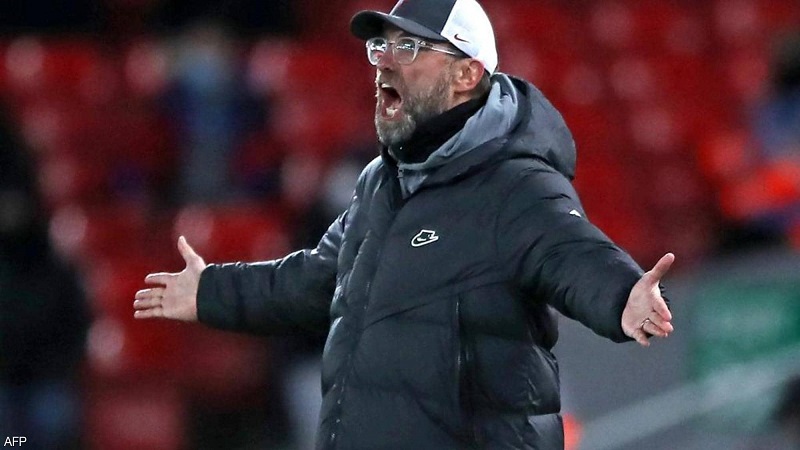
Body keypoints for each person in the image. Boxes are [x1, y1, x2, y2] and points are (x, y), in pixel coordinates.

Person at [134, 0, 675, 448]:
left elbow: (570, 251)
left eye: (409, 48)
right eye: (380, 48)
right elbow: (319, 279)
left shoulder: (514, 183)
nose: (384, 65)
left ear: (467, 74)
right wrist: (212, 291)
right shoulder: (381, 182)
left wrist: (622, 296)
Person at [0, 102, 91, 450]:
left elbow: (74, 319)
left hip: (45, 376)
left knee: (53, 421)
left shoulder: (49, 260)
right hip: (5, 381)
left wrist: (57, 362)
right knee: (11, 439)